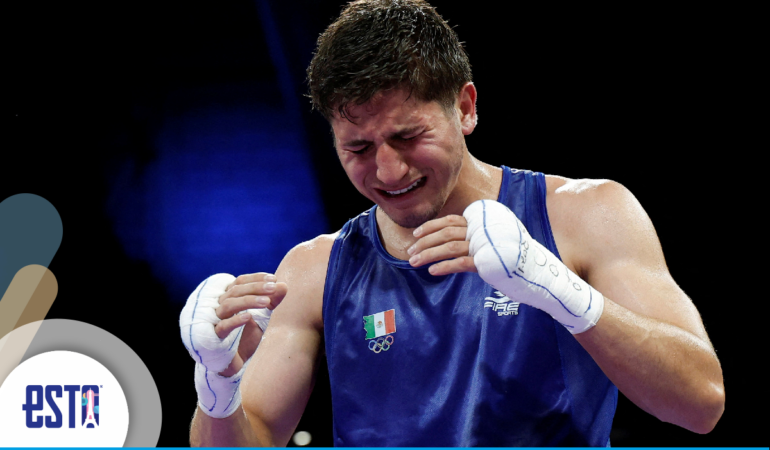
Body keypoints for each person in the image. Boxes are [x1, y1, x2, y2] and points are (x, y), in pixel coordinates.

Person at [180, 0, 725, 446]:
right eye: (359, 148)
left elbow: (701, 402)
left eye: (407, 136)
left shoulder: (585, 215)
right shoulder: (313, 270)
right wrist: (217, 382)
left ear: (464, 108)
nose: (388, 171)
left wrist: (558, 288)